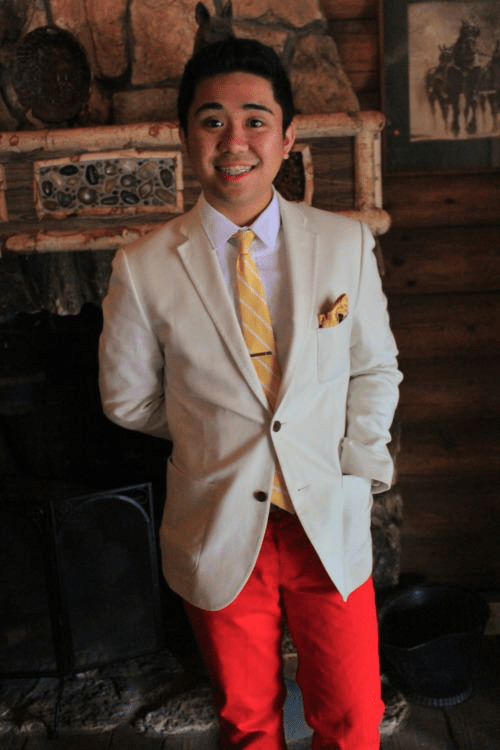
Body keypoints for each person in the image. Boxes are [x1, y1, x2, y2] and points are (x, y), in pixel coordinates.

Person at [99, 36, 402, 750]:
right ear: (185, 136)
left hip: (326, 516)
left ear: (287, 137)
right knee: (246, 722)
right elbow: (127, 399)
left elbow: (375, 369)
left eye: (255, 120)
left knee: (353, 717)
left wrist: (359, 465)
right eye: (212, 120)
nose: (234, 141)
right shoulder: (142, 266)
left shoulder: (345, 244)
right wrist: (215, 432)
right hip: (219, 522)